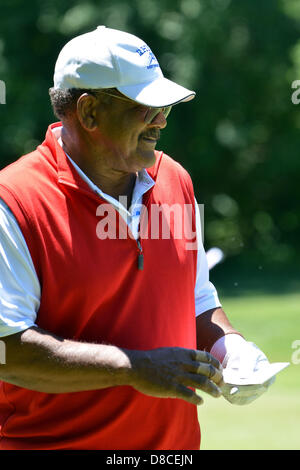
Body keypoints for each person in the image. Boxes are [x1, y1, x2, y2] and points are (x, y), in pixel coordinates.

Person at [0, 26, 274, 450]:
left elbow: (197, 299)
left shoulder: (175, 179)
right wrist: (133, 368)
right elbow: (10, 350)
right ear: (89, 112)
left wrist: (229, 348)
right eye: (146, 106)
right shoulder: (14, 201)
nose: (162, 119)